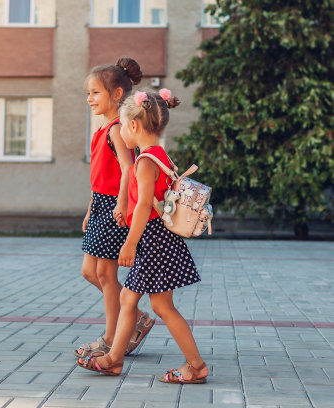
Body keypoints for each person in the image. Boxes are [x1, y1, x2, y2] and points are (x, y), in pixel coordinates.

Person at [77, 88, 209, 384]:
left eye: (123, 125)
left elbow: (146, 206)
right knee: (131, 298)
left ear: (134, 126)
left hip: (151, 240)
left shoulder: (145, 162)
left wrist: (130, 242)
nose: (121, 131)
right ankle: (114, 359)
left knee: (161, 306)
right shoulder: (159, 155)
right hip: (160, 239)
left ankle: (196, 366)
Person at [74, 58, 156, 360]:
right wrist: (90, 207)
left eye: (95, 92)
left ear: (117, 94)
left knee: (106, 275)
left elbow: (128, 168)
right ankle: (135, 318)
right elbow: (99, 175)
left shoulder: (117, 129)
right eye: (88, 93)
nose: (90, 99)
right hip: (100, 204)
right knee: (89, 272)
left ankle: (111, 339)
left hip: (113, 207)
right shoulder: (102, 129)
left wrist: (121, 202)